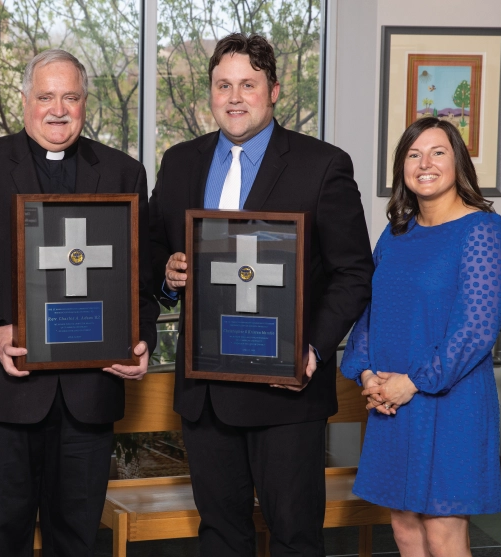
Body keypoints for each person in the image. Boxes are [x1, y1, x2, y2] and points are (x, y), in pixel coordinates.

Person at [149, 33, 374, 556]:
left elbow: (353, 272)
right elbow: (152, 250)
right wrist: (165, 274)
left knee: (295, 538)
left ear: (274, 90)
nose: (234, 96)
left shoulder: (322, 166)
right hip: (205, 394)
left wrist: (312, 348)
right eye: (222, 84)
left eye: (247, 85)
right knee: (222, 537)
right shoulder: (180, 162)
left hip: (286, 393)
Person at [0, 49, 159, 556]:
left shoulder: (124, 173)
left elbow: (139, 283)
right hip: (3, 397)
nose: (58, 109)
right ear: (24, 101)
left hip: (89, 399)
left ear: (84, 102)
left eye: (71, 97)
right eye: (46, 96)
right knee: (3, 541)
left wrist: (139, 338)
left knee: (77, 542)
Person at [341, 117, 501, 557]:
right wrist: (366, 374)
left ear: (458, 162)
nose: (425, 163)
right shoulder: (397, 233)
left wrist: (412, 382)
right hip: (391, 401)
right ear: (402, 166)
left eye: (438, 152)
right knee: (402, 526)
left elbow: (475, 329)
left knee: (442, 528)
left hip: (450, 399)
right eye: (414, 154)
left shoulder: (483, 231)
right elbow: (370, 309)